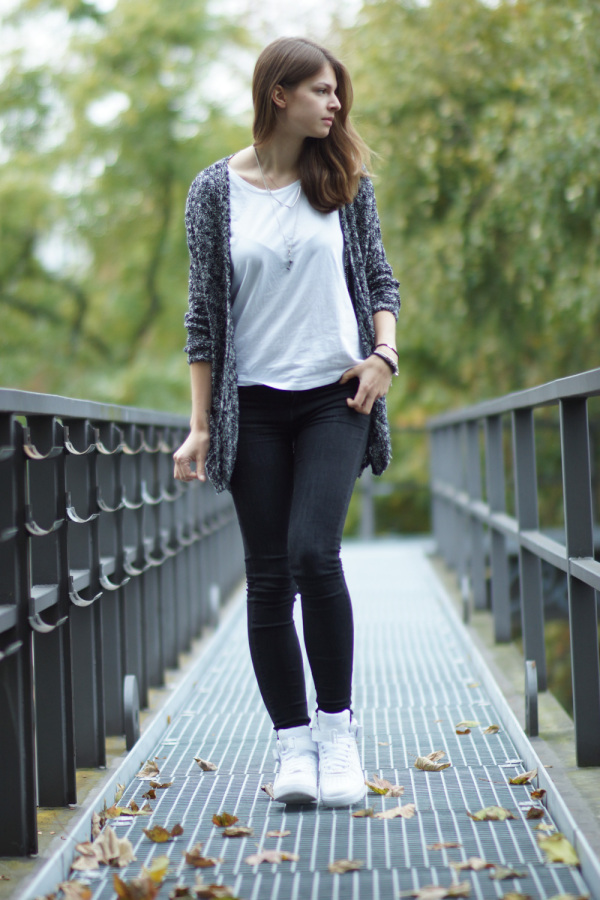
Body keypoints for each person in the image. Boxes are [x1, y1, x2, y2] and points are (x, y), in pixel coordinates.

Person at [173, 36, 400, 807]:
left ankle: (338, 735)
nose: (336, 105)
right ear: (279, 95)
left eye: (337, 93)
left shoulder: (343, 178)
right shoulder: (214, 193)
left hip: (337, 396)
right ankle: (292, 748)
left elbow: (377, 274)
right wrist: (201, 426)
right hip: (254, 409)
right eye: (322, 91)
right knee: (268, 579)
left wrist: (384, 356)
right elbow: (203, 317)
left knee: (313, 554)